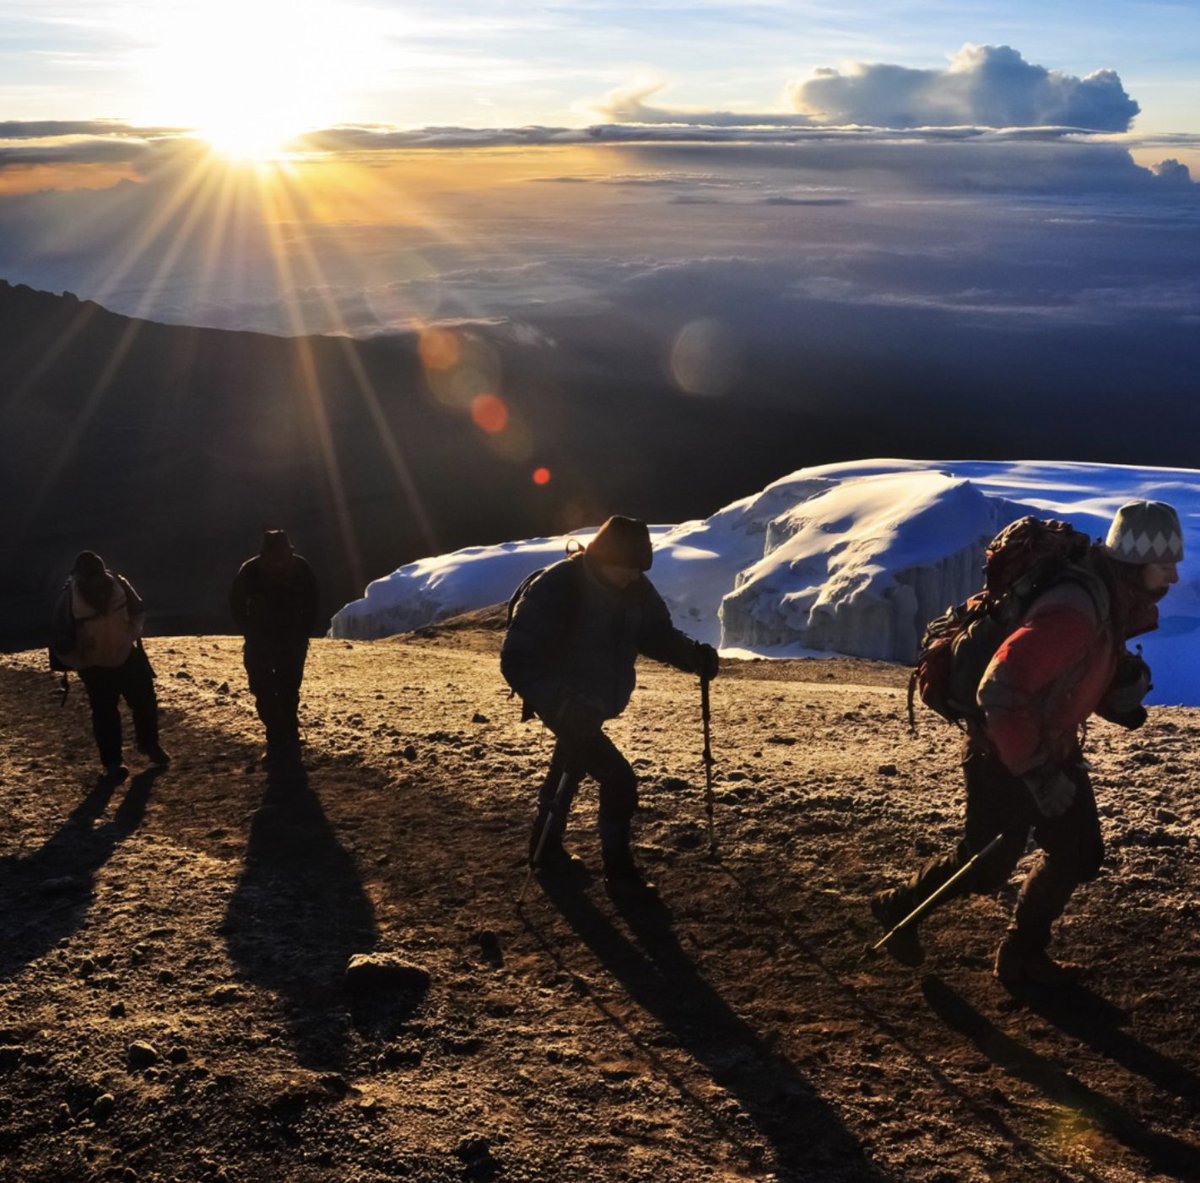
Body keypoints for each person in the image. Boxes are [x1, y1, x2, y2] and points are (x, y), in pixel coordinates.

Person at [872, 500, 1184, 988]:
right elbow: (1001, 690)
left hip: (1049, 746)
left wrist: (1115, 692)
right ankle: (898, 906)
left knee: (1077, 852)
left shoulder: (1106, 596)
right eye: (1166, 564)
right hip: (1005, 751)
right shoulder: (1075, 610)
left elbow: (1065, 672)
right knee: (986, 862)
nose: (1174, 577)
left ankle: (1021, 955)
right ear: (1135, 562)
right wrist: (1037, 773)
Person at [501, 515, 721, 889]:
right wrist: (562, 704)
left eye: (639, 570)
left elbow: (654, 633)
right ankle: (619, 873)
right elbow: (517, 658)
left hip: (594, 700)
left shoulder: (633, 587)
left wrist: (692, 658)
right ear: (602, 556)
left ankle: (545, 849)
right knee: (618, 779)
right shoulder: (559, 587)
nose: (634, 577)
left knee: (570, 764)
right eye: (627, 568)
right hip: (564, 702)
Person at [50, 550, 170, 780]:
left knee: (144, 701)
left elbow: (137, 611)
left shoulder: (118, 585)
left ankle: (148, 745)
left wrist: (129, 636)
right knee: (106, 714)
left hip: (124, 654)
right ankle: (113, 763)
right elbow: (61, 637)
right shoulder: (71, 596)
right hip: (94, 665)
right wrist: (81, 662)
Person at [229, 530, 320, 761]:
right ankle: (286, 735)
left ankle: (278, 737)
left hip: (267, 640)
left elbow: (236, 602)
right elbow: (314, 600)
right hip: (285, 640)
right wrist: (304, 632)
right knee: (284, 690)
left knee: (268, 691)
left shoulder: (251, 569)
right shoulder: (299, 567)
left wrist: (249, 631)